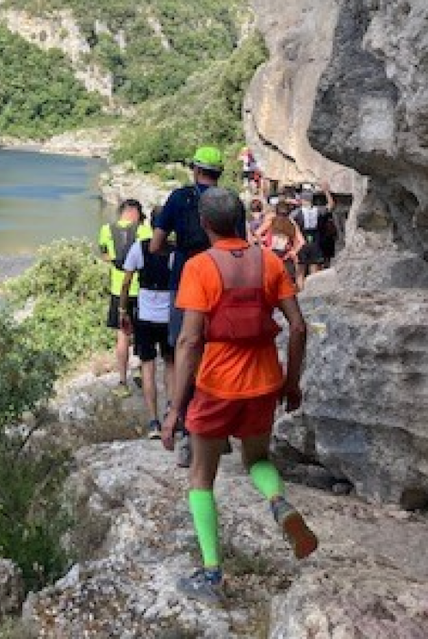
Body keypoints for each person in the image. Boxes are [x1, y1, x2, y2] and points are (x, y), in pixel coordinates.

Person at [161, 187, 318, 603]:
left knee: (201, 476)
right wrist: (292, 382)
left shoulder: (199, 267)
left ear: (205, 224)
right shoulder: (270, 261)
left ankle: (212, 573)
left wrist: (175, 409)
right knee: (257, 459)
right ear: (239, 221)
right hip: (264, 381)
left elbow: (189, 341)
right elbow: (298, 327)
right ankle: (278, 502)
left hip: (217, 385)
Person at [150, 146, 241, 465]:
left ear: (195, 169)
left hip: (186, 283)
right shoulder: (231, 202)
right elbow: (240, 244)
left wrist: (177, 251)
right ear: (219, 173)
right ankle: (220, 430)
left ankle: (190, 435)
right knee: (218, 354)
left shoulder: (179, 198)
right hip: (224, 283)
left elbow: (155, 245)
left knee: (185, 353)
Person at [119, 212, 175, 439]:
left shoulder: (139, 248)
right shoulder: (175, 252)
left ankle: (153, 422)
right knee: (171, 365)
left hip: (145, 317)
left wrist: (123, 310)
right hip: (169, 317)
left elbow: (126, 282)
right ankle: (171, 410)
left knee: (148, 367)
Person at [99, 199, 152, 397]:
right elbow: (150, 255)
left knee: (122, 335)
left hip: (118, 290)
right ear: (134, 213)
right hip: (140, 289)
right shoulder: (143, 230)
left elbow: (104, 254)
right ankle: (139, 369)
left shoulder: (106, 230)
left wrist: (115, 260)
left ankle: (122, 382)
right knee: (142, 332)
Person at [291, 181, 336, 289]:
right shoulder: (318, 210)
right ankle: (312, 291)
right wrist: (326, 191)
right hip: (315, 241)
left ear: (302, 200)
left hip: (301, 241)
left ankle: (301, 292)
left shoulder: (296, 213)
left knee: (300, 271)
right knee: (314, 270)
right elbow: (331, 206)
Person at [256, 200, 305, 284]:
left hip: (272, 254)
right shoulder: (291, 223)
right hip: (286, 255)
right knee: (288, 282)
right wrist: (294, 251)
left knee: (272, 281)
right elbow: (302, 241)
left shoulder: (272, 221)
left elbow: (257, 233)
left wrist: (263, 247)